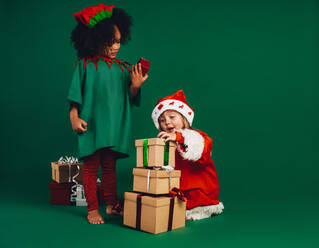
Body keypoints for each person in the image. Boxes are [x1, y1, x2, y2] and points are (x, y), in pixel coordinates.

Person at [67, 4, 148, 224]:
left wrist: (136, 85)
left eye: (118, 41)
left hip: (114, 126)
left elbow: (130, 97)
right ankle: (93, 209)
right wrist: (74, 117)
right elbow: (75, 96)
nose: (115, 47)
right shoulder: (84, 66)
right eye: (109, 41)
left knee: (110, 167)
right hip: (90, 124)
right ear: (93, 40)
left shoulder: (124, 68)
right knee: (91, 167)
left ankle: (112, 205)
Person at [151, 90, 224, 220]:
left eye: (172, 117)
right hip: (179, 189)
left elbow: (201, 152)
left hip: (198, 189)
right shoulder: (167, 142)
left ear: (184, 118)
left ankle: (198, 209)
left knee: (190, 200)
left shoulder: (196, 137)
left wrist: (179, 137)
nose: (167, 122)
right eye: (162, 120)